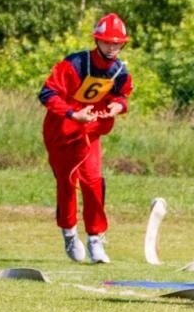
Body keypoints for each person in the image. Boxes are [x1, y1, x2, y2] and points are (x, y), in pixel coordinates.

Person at [40, 13, 133, 264]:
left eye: (117, 43)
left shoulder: (120, 71)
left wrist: (118, 107)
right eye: (107, 42)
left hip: (91, 134)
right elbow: (47, 93)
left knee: (93, 183)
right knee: (68, 183)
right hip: (61, 133)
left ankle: (95, 238)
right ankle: (69, 232)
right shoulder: (74, 64)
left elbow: (122, 97)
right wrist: (73, 113)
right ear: (97, 41)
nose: (112, 47)